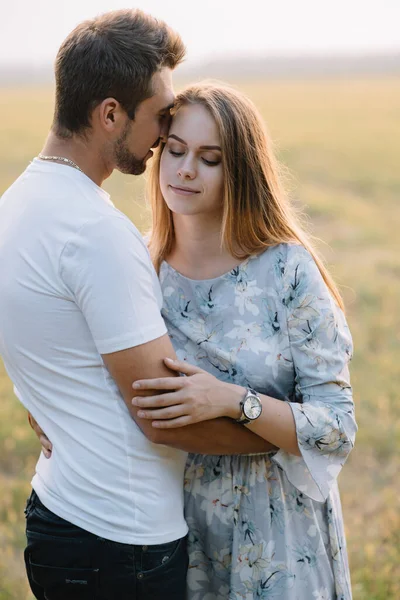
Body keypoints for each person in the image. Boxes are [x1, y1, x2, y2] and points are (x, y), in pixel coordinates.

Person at [31, 82, 357, 599]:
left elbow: (338, 427)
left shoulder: (287, 270)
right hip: (171, 532)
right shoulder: (138, 265)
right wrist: (52, 410)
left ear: (241, 171)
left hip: (276, 539)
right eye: (175, 150)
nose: (184, 170)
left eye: (210, 159)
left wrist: (233, 401)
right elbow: (94, 372)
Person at [0, 11, 275, 600]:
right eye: (158, 115)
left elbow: (50, 352)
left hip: (59, 513)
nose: (162, 133)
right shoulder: (95, 231)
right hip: (120, 542)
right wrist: (282, 437)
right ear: (109, 114)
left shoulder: (15, 207)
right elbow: (159, 413)